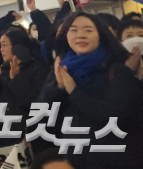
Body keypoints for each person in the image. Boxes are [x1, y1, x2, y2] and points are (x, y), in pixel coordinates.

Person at [37, 12, 143, 169]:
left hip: (115, 159)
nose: (80, 35)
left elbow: (116, 115)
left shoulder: (116, 70)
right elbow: (41, 117)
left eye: (88, 30)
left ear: (101, 35)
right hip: (75, 159)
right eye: (73, 30)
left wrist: (74, 92)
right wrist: (58, 89)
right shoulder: (62, 68)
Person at [0, 27, 48, 152]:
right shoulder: (1, 70)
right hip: (3, 138)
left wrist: (15, 79)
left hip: (29, 137)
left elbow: (35, 102)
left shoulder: (37, 70)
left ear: (18, 47)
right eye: (0, 45)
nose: (1, 49)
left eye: (5, 45)